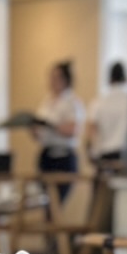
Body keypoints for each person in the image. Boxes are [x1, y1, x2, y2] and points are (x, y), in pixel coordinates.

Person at [33, 61, 85, 192]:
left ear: (65, 79)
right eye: (51, 77)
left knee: (57, 198)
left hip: (64, 157)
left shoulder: (71, 102)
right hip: (46, 156)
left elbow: (73, 130)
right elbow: (40, 134)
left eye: (56, 77)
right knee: (44, 197)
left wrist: (52, 126)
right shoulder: (46, 102)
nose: (53, 81)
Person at [88, 61, 127, 167]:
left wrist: (92, 153)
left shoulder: (99, 102)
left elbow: (92, 131)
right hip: (124, 154)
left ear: (109, 79)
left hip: (104, 154)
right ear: (125, 79)